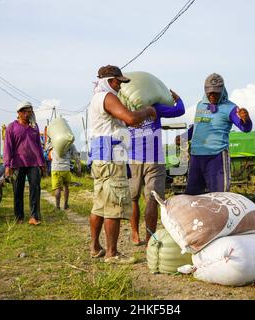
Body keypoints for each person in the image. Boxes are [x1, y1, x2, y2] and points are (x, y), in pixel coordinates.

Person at [88, 65, 157, 264]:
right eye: (118, 82)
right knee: (113, 206)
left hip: (100, 155)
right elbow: (130, 118)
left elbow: (119, 122)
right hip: (111, 156)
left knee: (99, 204)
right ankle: (112, 253)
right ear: (109, 81)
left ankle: (95, 247)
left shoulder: (96, 98)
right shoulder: (108, 97)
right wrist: (147, 110)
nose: (120, 86)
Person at [128, 89, 185, 246]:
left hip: (132, 158)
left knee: (134, 197)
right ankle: (149, 239)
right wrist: (177, 98)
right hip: (153, 158)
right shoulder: (156, 107)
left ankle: (135, 234)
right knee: (152, 198)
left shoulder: (126, 107)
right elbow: (179, 110)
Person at [185, 73, 252, 195]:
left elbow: (245, 128)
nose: (212, 95)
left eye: (215, 92)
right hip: (196, 158)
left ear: (222, 90)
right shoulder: (201, 105)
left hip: (216, 158)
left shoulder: (230, 108)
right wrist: (184, 136)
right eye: (209, 92)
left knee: (219, 196)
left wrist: (245, 119)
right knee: (192, 197)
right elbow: (198, 125)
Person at [3, 101, 45, 225]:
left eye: (29, 111)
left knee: (35, 190)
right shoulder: (12, 127)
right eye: (24, 111)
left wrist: (42, 163)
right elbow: (8, 147)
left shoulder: (34, 126)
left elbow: (38, 146)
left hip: (33, 163)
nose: (27, 114)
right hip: (17, 163)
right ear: (18, 113)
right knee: (17, 191)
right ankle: (19, 216)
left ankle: (34, 217)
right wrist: (7, 165)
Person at [51, 143, 81, 210]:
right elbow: (76, 156)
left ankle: (57, 206)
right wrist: (79, 168)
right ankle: (65, 204)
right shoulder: (70, 143)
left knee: (57, 188)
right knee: (66, 187)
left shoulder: (54, 141)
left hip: (56, 168)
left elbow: (46, 147)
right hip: (66, 168)